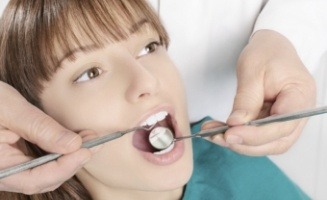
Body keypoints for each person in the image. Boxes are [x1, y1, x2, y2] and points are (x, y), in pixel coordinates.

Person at [0, 0, 325, 196]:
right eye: (91, 73)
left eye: (149, 47)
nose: (147, 80)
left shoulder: (243, 174)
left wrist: (284, 38)